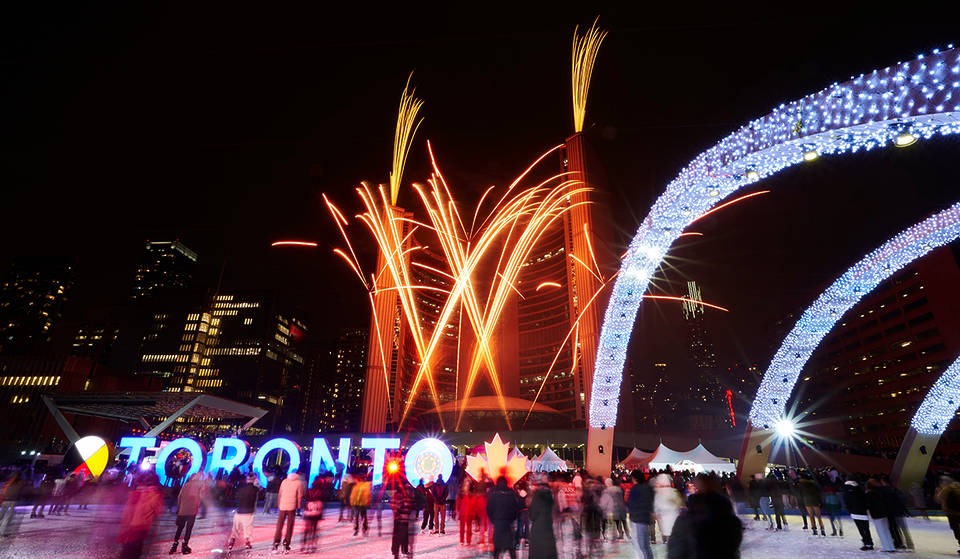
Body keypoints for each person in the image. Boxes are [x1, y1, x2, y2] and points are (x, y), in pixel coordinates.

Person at [666, 474, 742, 559]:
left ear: (698, 489)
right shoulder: (731, 520)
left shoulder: (686, 520)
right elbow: (734, 550)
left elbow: (676, 552)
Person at [118, 473, 164, 559]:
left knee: (127, 551)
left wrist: (123, 528)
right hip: (141, 527)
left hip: (130, 527)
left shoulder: (136, 492)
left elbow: (127, 511)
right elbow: (159, 511)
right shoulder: (154, 494)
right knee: (135, 551)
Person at [488, 476, 521, 559]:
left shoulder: (493, 493)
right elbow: (516, 508)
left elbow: (489, 509)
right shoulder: (511, 493)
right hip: (508, 524)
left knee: (497, 548)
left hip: (498, 523)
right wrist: (512, 519)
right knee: (510, 547)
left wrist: (494, 520)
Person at [170, 473, 202, 554]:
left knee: (180, 528)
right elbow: (198, 498)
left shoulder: (185, 485)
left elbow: (179, 497)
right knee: (188, 529)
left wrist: (179, 508)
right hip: (191, 511)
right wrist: (196, 507)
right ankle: (184, 545)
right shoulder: (198, 487)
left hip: (183, 510)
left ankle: (174, 545)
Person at [273, 471, 304, 553]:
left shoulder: (284, 481)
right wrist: (299, 507)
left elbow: (280, 493)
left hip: (283, 505)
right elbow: (300, 496)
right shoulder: (299, 482)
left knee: (280, 525)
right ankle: (286, 543)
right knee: (289, 526)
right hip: (292, 507)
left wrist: (279, 504)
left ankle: (276, 542)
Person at [627, 471, 654, 559]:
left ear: (634, 478)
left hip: (638, 518)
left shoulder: (635, 488)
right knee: (646, 545)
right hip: (646, 517)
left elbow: (632, 503)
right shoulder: (648, 488)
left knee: (642, 545)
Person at [227, 476, 258, 551]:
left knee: (235, 528)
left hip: (239, 511)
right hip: (249, 511)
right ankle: (247, 542)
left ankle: (231, 542)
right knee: (248, 528)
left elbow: (237, 497)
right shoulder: (255, 489)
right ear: (253, 480)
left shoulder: (242, 488)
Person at [529, 481, 557, 559]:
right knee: (548, 549)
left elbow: (532, 515)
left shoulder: (537, 496)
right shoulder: (550, 497)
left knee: (537, 551)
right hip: (548, 527)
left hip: (538, 528)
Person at [865, 478, 895, 552]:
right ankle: (890, 547)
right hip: (884, 513)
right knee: (886, 530)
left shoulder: (869, 493)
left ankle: (887, 547)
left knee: (881, 531)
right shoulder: (881, 491)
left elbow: (868, 504)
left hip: (877, 514)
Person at [843, 479, 873, 551]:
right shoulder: (860, 492)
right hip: (863, 513)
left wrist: (850, 510)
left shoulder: (847, 494)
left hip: (855, 513)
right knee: (866, 528)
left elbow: (847, 504)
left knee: (861, 529)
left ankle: (867, 543)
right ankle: (869, 543)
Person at [653, 473, 683, 543]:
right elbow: (678, 504)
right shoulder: (673, 492)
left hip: (666, 521)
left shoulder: (659, 494)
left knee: (670, 539)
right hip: (674, 521)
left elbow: (656, 510)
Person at [391, 481, 416, 559]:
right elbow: (409, 506)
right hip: (403, 519)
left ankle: (396, 551)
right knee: (403, 535)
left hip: (398, 519)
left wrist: (396, 512)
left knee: (397, 535)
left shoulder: (396, 495)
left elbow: (393, 505)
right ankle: (402, 550)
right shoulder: (405, 496)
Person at [936, 475, 960, 553]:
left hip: (951, 512)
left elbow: (938, 499)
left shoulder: (946, 489)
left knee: (955, 528)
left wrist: (938, 491)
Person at [301, 477, 325, 552]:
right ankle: (313, 544)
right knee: (314, 528)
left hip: (308, 509)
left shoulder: (309, 490)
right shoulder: (321, 492)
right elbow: (323, 500)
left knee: (307, 529)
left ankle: (304, 544)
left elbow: (306, 498)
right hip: (316, 511)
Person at [0, 472, 23, 536]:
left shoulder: (8, 482)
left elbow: (2, 491)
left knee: (2, 515)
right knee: (8, 517)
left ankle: (2, 532)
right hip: (12, 500)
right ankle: (2, 532)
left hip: (5, 500)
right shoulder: (19, 482)